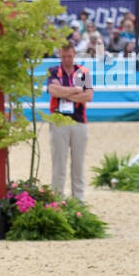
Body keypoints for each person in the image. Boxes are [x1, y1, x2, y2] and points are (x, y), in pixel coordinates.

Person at [46, 44, 93, 201]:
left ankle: (78, 200)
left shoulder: (83, 72)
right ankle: (57, 199)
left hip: (79, 121)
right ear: (60, 55)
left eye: (69, 56)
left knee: (78, 164)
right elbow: (53, 90)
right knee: (59, 163)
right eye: (64, 56)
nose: (67, 59)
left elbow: (88, 96)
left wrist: (64, 93)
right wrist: (76, 90)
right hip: (59, 120)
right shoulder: (53, 71)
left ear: (74, 55)